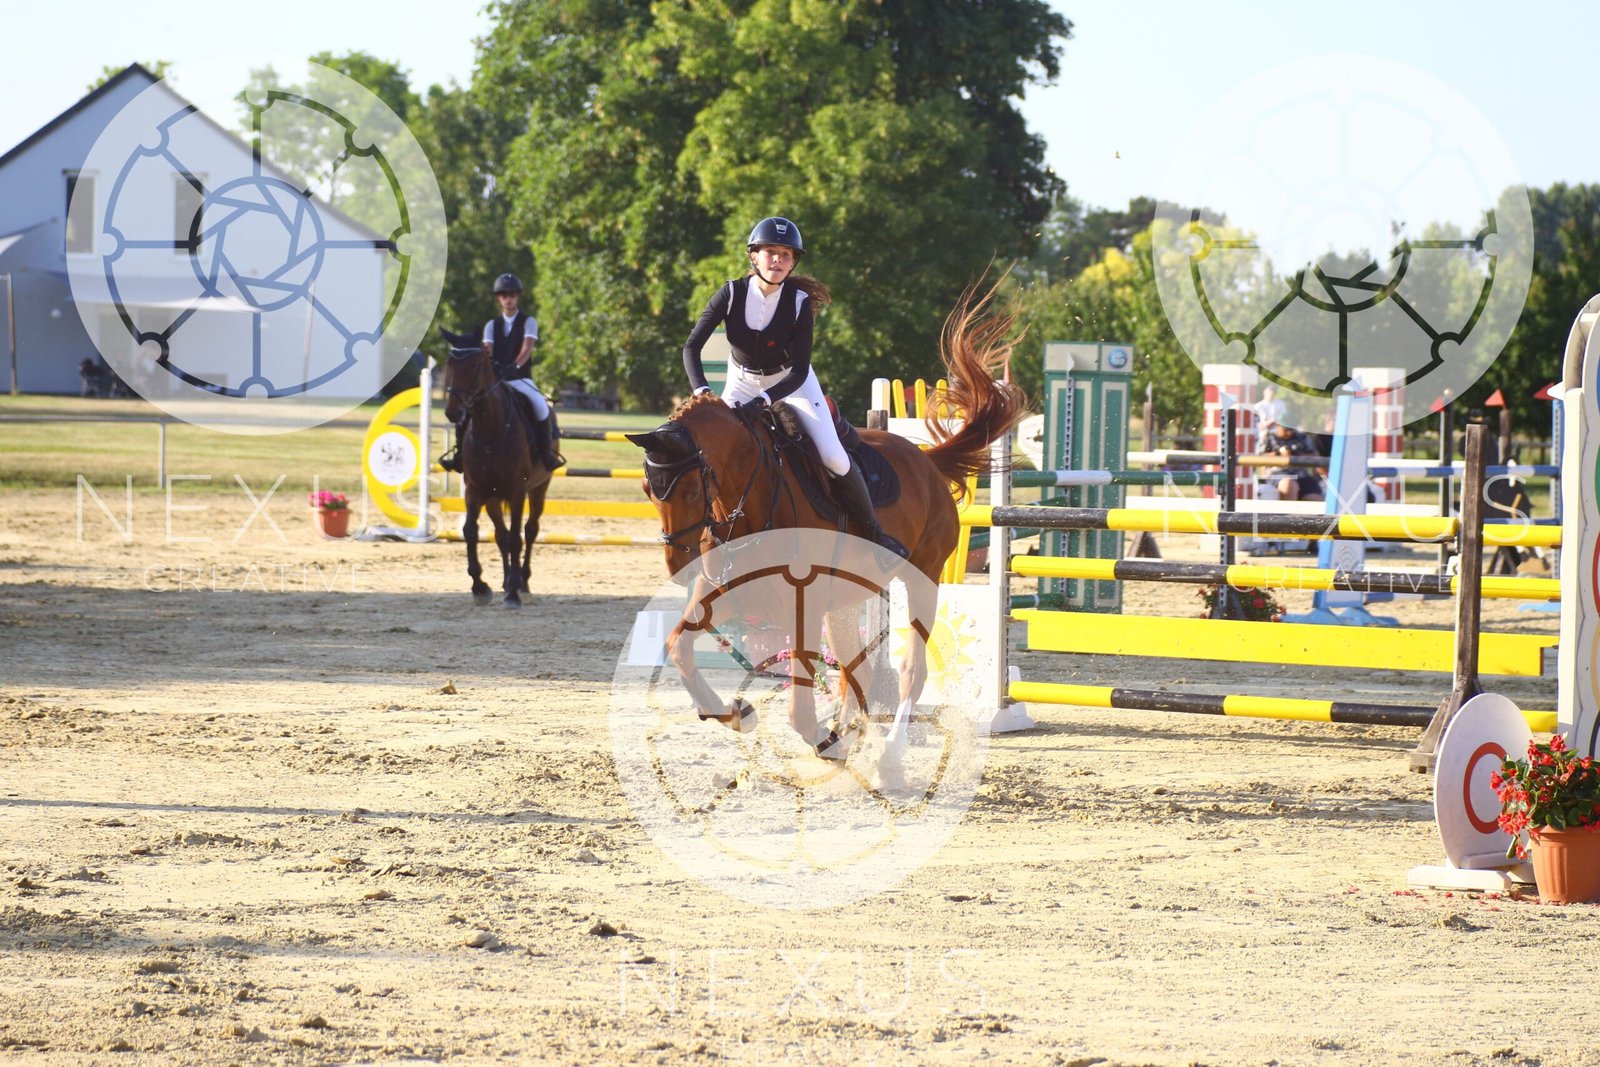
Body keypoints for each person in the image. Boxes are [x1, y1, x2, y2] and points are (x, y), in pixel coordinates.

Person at [681, 216, 903, 556]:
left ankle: (874, 534)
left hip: (791, 383)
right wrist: (702, 393)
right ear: (754, 256)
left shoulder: (799, 302)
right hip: (740, 381)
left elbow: (798, 371)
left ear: (793, 262)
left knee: (834, 457)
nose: (778, 260)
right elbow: (691, 347)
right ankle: (704, 532)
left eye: (785, 255)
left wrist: (765, 400)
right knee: (713, 452)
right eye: (770, 252)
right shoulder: (731, 293)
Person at [440, 273, 563, 472]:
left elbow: (527, 348)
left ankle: (546, 455)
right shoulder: (491, 325)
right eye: (504, 295)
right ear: (499, 298)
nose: (508, 299)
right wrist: (494, 366)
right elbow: (488, 350)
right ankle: (459, 454)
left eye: (512, 294)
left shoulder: (529, 321)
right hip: (496, 380)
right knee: (468, 409)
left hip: (521, 378)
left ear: (518, 297)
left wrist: (514, 366)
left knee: (541, 406)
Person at [1261, 421, 1326, 500]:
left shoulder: (1301, 436)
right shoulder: (1269, 437)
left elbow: (1315, 456)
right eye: (1286, 430)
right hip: (1278, 474)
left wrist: (1296, 454)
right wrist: (1278, 453)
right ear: (1278, 426)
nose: (1289, 433)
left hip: (1302, 476)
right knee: (1289, 485)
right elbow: (1259, 457)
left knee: (1315, 498)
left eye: (1291, 430)